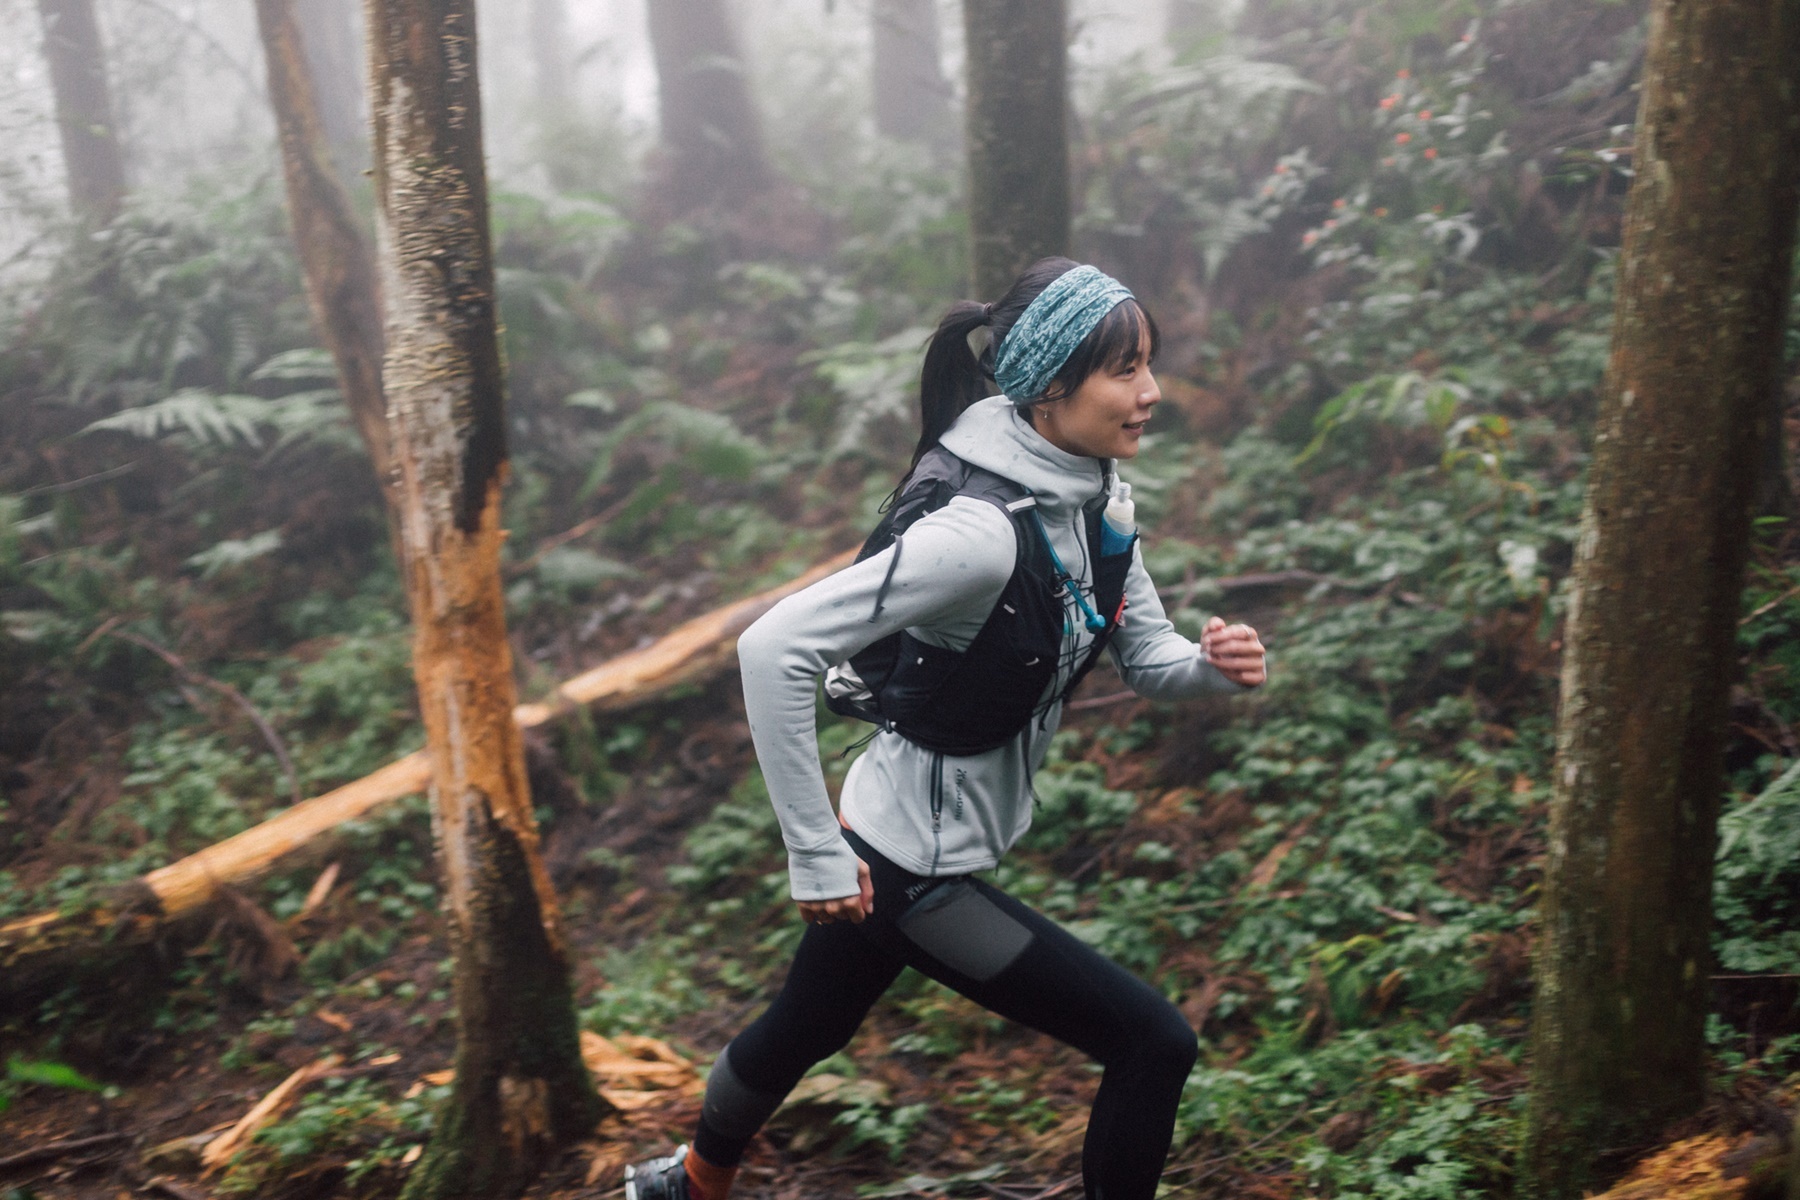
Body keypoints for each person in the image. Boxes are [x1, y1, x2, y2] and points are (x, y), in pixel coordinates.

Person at [625, 258, 1267, 1200]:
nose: (1152, 392)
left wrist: (1211, 667)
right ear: (1050, 386)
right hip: (909, 873)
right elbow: (772, 649)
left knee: (806, 1026)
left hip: (896, 841)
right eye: (1125, 371)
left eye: (1149, 365)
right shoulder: (978, 535)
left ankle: (688, 1183)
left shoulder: (1096, 496)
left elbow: (1145, 652)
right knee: (1151, 1042)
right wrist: (813, 853)